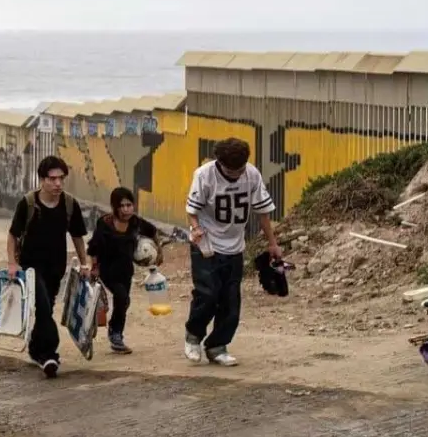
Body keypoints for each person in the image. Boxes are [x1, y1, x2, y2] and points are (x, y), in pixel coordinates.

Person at [184, 137, 282, 367]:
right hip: (206, 244)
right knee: (207, 294)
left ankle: (217, 346)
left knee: (230, 300)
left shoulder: (252, 175)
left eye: (239, 170)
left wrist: (272, 243)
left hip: (235, 246)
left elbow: (263, 212)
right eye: (231, 170)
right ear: (220, 163)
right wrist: (196, 229)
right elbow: (191, 210)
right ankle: (193, 336)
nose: (236, 175)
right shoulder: (204, 175)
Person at [6, 155, 89, 378]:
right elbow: (13, 235)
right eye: (52, 179)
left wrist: (84, 263)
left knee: (47, 309)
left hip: (56, 267)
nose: (58, 184)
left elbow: (78, 236)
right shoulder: (28, 203)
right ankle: (49, 355)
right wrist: (12, 263)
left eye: (61, 179)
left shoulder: (70, 204)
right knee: (43, 306)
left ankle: (35, 348)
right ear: (42, 179)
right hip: (30, 267)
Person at [86, 187, 162, 355]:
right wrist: (95, 267)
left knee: (124, 302)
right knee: (122, 297)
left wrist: (158, 252)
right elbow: (94, 247)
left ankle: (116, 333)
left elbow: (153, 232)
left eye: (129, 205)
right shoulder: (104, 224)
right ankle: (115, 334)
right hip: (108, 270)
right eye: (123, 206)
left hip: (126, 271)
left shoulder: (135, 222)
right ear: (115, 207)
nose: (127, 209)